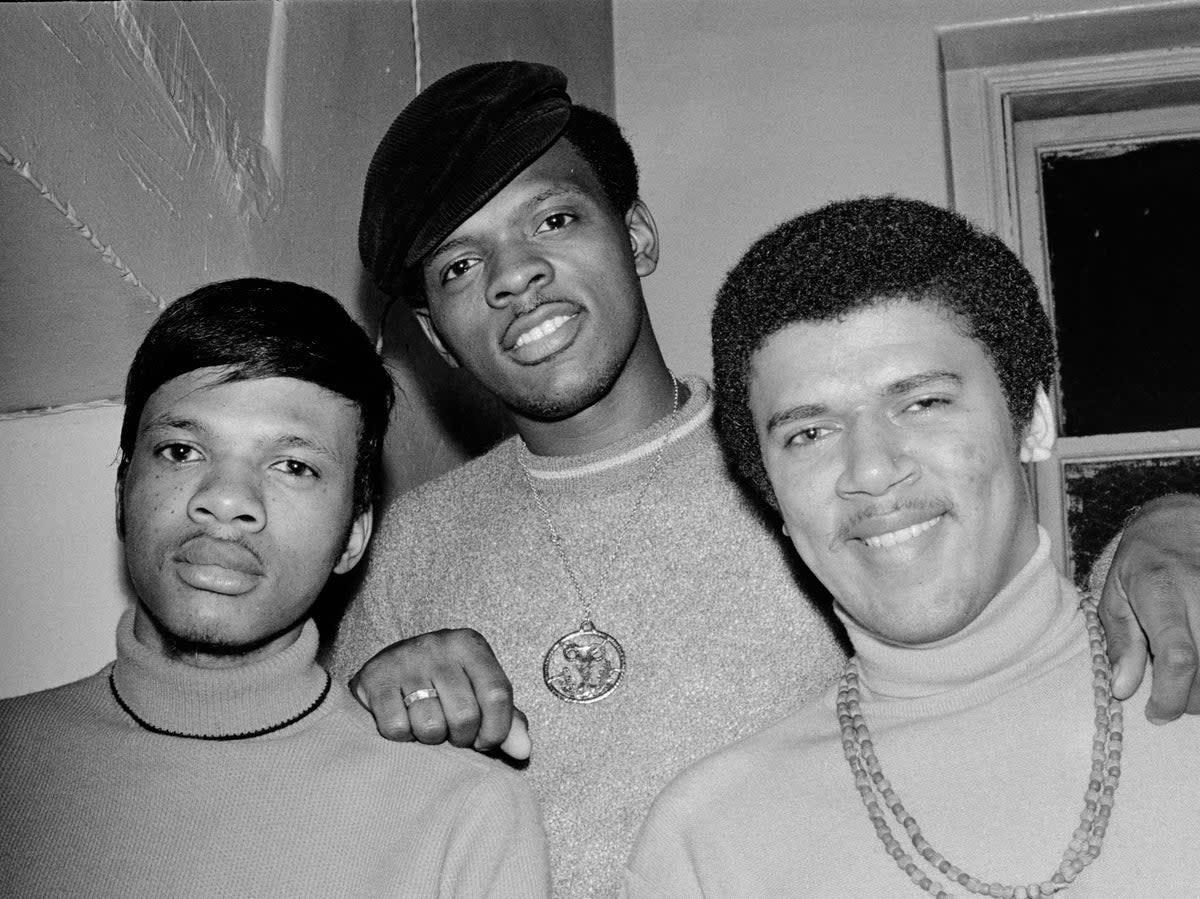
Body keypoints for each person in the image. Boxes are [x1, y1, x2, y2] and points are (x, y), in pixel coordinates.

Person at [333, 61, 1200, 895]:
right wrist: (364, 726)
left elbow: (1006, 616)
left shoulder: (804, 456)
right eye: (458, 265)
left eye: (553, 220)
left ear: (636, 234)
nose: (514, 276)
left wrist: (1165, 517)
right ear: (436, 337)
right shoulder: (411, 546)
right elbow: (339, 819)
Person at [624, 196, 1200, 896]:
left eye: (922, 402)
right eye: (809, 433)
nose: (870, 468)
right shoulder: (708, 843)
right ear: (771, 495)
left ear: (1035, 419)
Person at [0, 279, 550, 897]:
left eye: (293, 466)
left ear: (353, 534)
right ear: (123, 493)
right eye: (181, 451)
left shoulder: (463, 815)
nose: (227, 500)